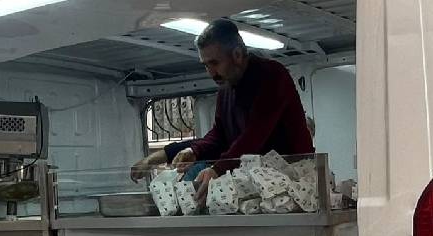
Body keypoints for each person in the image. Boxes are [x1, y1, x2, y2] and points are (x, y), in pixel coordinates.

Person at [129, 19, 314, 201]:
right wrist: (188, 152)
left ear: (237, 55)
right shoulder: (226, 90)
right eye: (206, 65)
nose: (211, 73)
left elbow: (254, 136)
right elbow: (218, 137)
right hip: (260, 184)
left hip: (295, 180)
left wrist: (216, 169)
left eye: (215, 63)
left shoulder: (272, 75)